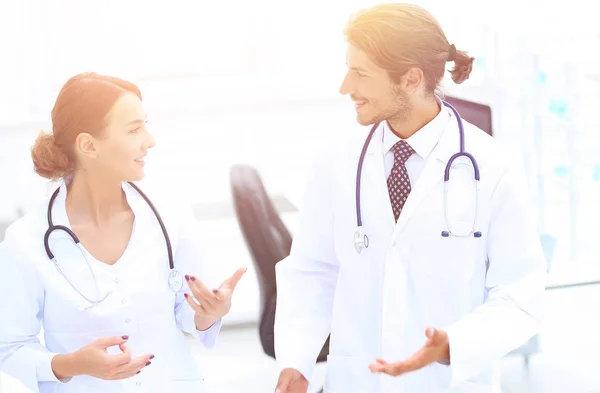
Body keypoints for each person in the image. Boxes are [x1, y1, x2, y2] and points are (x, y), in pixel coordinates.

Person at [273, 3, 546, 393]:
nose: (345, 87)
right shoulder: (334, 162)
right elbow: (311, 271)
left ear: (411, 78)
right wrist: (296, 362)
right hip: (358, 380)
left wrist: (453, 343)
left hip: (448, 382)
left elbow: (520, 294)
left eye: (361, 73)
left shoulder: (494, 167)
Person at [0, 72, 246, 393]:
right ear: (89, 145)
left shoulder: (169, 214)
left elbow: (190, 316)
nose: (150, 140)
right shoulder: (27, 241)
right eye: (134, 129)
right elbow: (9, 351)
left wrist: (210, 313)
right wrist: (73, 364)